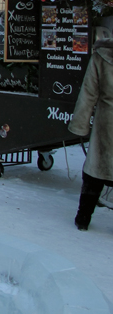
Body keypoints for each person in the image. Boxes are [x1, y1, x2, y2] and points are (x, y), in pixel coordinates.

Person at [69, 37, 113, 231]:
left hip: (107, 123)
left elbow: (88, 94)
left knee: (95, 171)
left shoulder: (101, 56)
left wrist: (80, 126)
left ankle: (83, 218)